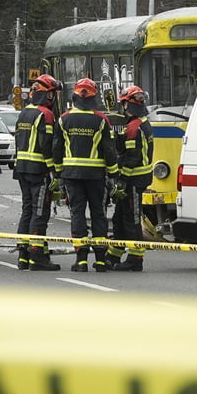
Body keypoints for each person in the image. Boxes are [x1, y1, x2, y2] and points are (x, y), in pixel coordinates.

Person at [54, 77, 118, 272]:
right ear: (93, 97)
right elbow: (109, 149)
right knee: (99, 214)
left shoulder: (63, 119)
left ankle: (81, 260)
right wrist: (114, 174)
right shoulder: (101, 120)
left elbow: (57, 148)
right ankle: (100, 260)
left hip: (72, 175)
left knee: (77, 214)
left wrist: (58, 173)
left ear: (75, 96)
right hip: (96, 176)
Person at [12, 74, 62, 271]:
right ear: (47, 95)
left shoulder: (24, 113)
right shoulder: (46, 115)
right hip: (38, 171)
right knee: (40, 212)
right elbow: (47, 146)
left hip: (22, 169)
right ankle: (37, 257)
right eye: (52, 94)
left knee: (27, 210)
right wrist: (54, 171)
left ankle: (23, 256)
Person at [106, 85, 154, 271]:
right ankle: (114, 255)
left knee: (132, 219)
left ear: (128, 105)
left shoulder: (134, 127)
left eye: (123, 103)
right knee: (119, 218)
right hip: (137, 179)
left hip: (133, 181)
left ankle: (135, 259)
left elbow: (132, 157)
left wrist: (121, 180)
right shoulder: (141, 122)